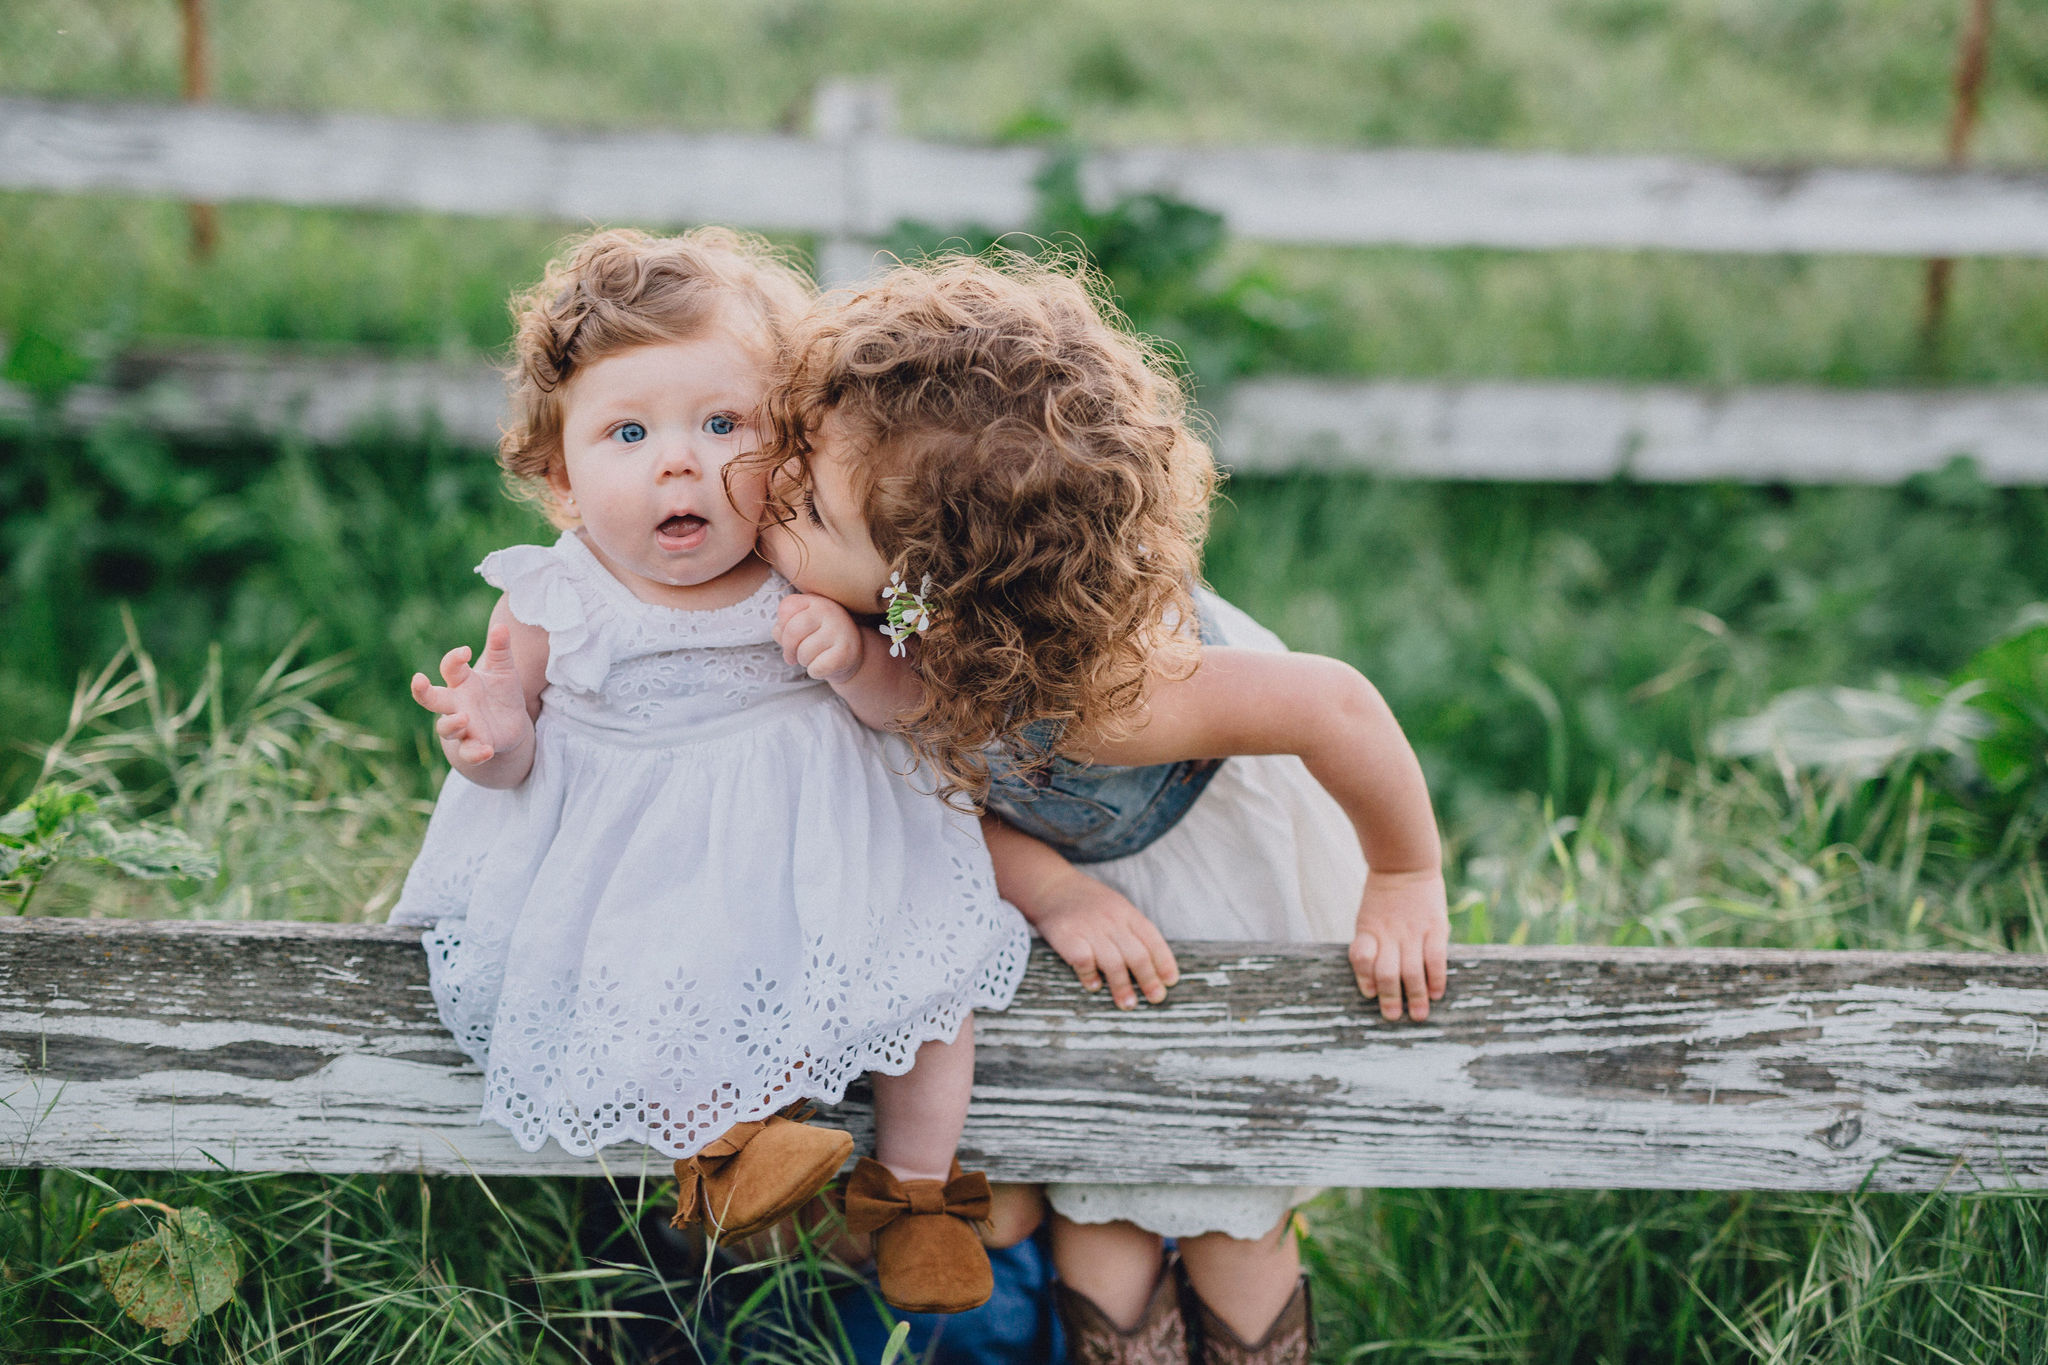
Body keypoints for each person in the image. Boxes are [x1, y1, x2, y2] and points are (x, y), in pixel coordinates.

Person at [752, 252, 1450, 1364]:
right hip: (1071, 858)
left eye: (808, 505)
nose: (770, 501)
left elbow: (1337, 707)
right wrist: (1052, 887)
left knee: (1226, 1200)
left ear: (920, 589)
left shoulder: (1121, 701)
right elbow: (925, 801)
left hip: (1207, 850)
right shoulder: (871, 624)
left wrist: (1403, 872)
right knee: (1101, 1211)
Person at [387, 228, 1030, 1316]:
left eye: (723, 424)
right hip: (643, 870)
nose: (678, 462)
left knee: (931, 992)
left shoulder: (805, 567)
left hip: (827, 859)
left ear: (790, 446)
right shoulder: (556, 596)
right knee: (657, 989)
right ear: (560, 474)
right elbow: (513, 758)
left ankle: (919, 1197)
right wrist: (490, 738)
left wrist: (857, 658)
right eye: (628, 431)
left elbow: (917, 711)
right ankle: (729, 1155)